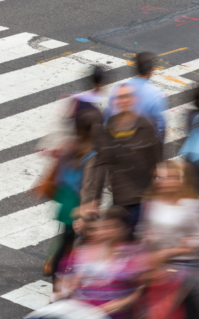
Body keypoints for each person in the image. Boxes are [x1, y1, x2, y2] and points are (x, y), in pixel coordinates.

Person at [42, 110, 103, 294]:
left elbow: (59, 171)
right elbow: (89, 186)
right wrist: (87, 209)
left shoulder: (70, 145)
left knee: (66, 236)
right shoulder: (91, 154)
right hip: (78, 203)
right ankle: (60, 278)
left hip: (64, 197)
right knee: (77, 240)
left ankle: (55, 269)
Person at [96, 83, 163, 235]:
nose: (123, 100)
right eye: (120, 97)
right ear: (114, 101)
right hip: (119, 199)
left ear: (135, 99)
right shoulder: (108, 128)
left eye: (127, 96)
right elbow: (101, 163)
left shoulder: (146, 126)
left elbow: (157, 162)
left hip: (142, 199)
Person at [136, 160, 199, 273]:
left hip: (183, 264)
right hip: (154, 263)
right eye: (157, 177)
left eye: (169, 177)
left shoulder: (194, 204)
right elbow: (142, 230)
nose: (161, 181)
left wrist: (171, 251)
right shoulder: (149, 202)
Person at [106, 51, 167, 141]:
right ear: (150, 71)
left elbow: (109, 113)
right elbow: (160, 125)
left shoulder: (120, 88)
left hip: (119, 138)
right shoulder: (156, 94)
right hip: (144, 142)